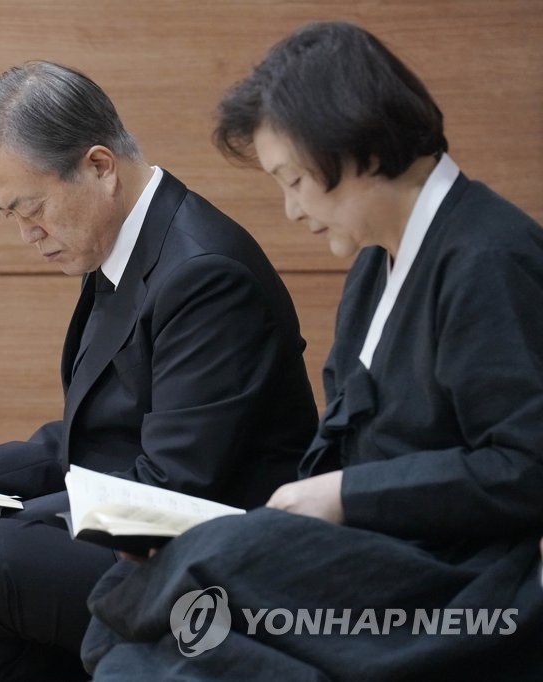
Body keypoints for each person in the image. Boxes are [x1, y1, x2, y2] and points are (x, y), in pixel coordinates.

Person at [80, 21, 543, 681]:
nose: (292, 210)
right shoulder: (375, 265)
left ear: (359, 148)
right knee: (143, 619)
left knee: (202, 577)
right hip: (375, 553)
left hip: (455, 582)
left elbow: (524, 467)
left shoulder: (488, 258)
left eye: (294, 179)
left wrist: (347, 493)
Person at [0, 61, 318, 680]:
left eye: (32, 208)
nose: (28, 233)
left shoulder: (205, 274)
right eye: (10, 215)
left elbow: (171, 487)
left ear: (99, 166)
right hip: (130, 523)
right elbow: (88, 439)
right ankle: (4, 646)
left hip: (203, 559)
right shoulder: (123, 247)